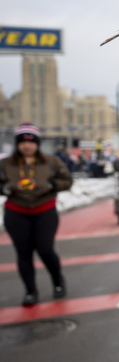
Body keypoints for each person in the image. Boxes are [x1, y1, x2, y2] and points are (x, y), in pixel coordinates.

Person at [0, 123, 73, 306]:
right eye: (22, 142)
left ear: (37, 144)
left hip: (44, 209)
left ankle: (57, 280)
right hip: (16, 211)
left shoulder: (50, 161)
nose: (27, 145)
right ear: (17, 144)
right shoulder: (5, 163)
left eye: (31, 142)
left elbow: (67, 180)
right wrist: (5, 188)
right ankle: (30, 290)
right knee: (23, 253)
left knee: (45, 249)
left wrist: (52, 186)